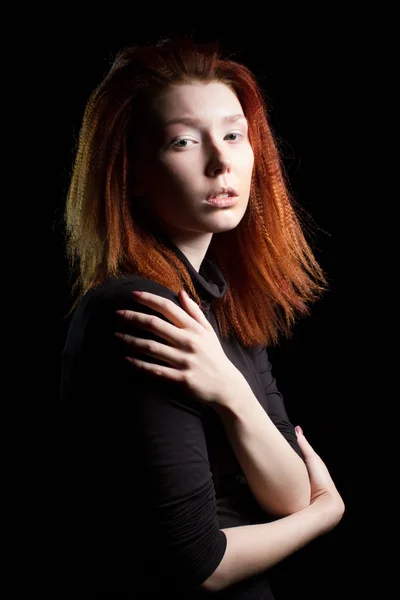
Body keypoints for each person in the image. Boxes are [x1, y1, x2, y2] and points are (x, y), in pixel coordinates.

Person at [59, 37, 344, 599]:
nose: (222, 161)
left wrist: (230, 393)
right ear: (132, 171)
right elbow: (201, 565)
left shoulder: (220, 299)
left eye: (234, 135)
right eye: (184, 141)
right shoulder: (142, 312)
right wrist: (326, 513)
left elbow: (284, 497)